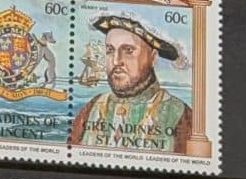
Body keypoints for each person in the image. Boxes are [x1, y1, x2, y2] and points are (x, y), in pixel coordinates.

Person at [68, 13, 191, 155]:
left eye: (128, 51)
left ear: (153, 58)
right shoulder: (92, 108)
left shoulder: (180, 114)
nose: (116, 61)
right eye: (110, 50)